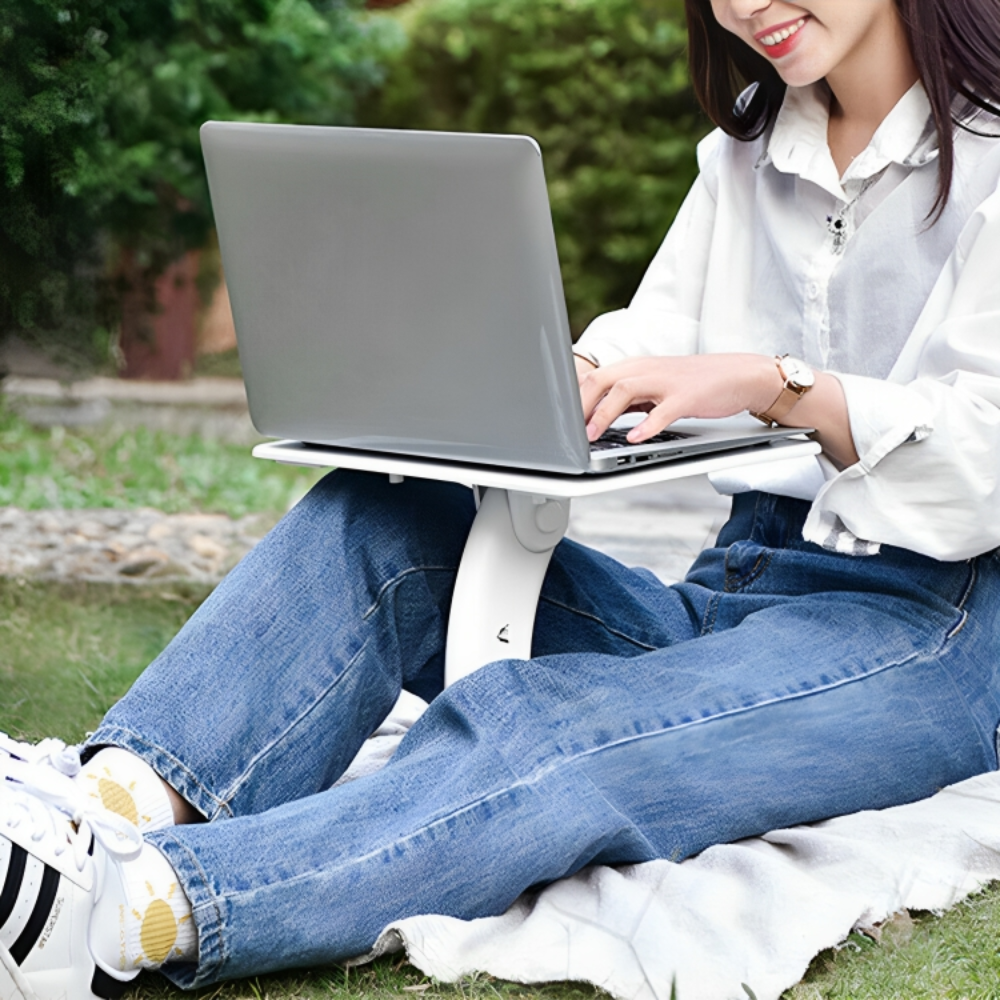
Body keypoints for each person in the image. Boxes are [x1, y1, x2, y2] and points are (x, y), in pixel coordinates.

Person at [4, 0, 1000, 996]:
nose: (749, 8)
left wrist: (774, 382)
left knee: (547, 721)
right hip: (736, 586)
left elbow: (981, 455)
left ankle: (129, 911)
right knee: (383, 518)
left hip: (924, 624)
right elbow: (650, 332)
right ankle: (98, 815)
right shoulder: (746, 151)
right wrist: (557, 376)